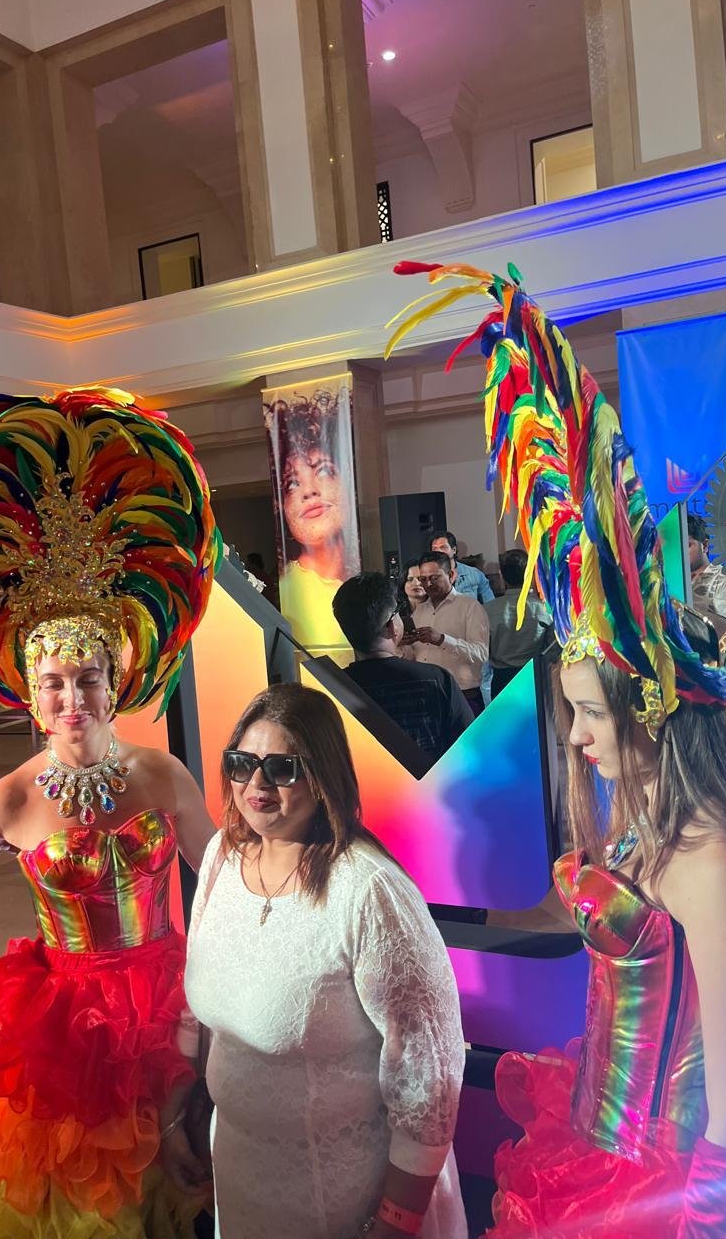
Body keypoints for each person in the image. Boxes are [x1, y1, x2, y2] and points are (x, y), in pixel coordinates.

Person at [387, 258, 726, 1237]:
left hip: (655, 1191)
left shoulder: (713, 862)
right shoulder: (645, 825)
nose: (578, 735)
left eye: (592, 713)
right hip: (588, 1144)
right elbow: (571, 919)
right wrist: (431, 913)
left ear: (651, 711)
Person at [0, 389, 222, 1237]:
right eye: (53, 683)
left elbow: (231, 888)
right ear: (29, 693)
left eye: (87, 677)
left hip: (177, 1017)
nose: (72, 700)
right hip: (67, 1045)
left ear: (114, 678)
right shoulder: (9, 799)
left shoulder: (162, 773)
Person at [183, 683, 467, 1239]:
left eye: (281, 768)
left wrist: (397, 1220)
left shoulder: (368, 891)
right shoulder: (221, 858)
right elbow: (202, 1004)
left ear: (322, 775)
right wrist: (184, 1116)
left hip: (344, 1202)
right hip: (240, 1182)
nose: (256, 785)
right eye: (242, 764)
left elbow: (428, 1074)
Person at [333, 571, 472, 761]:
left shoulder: (332, 689)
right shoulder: (437, 680)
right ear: (392, 626)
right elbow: (469, 748)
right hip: (434, 779)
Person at [266, 391, 358, 660]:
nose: (309, 491)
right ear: (282, 507)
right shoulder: (287, 590)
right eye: (292, 483)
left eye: (324, 470)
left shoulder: (360, 585)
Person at [402, 551, 489, 716]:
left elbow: (481, 654)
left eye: (434, 578)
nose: (428, 584)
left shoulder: (470, 607)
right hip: (427, 694)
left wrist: (442, 640)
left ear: (451, 575)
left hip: (463, 696)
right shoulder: (420, 611)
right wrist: (405, 645)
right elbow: (416, 656)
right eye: (423, 579)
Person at [485, 548, 553, 697]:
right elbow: (552, 650)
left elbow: (483, 649)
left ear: (501, 576)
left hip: (501, 680)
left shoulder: (488, 610)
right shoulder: (544, 609)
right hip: (534, 678)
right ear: (530, 573)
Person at [687, 512, 726, 630]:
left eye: (687, 545)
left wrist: (689, 610)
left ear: (705, 545)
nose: (680, 553)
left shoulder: (725, 579)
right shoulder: (670, 585)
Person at [430, 531, 494, 603]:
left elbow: (490, 604)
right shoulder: (427, 578)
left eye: (443, 547)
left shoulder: (474, 574)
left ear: (454, 550)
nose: (438, 551)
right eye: (434, 549)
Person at [397, 558, 426, 630]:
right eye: (410, 579)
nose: (416, 583)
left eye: (420, 578)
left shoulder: (437, 608)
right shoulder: (395, 611)